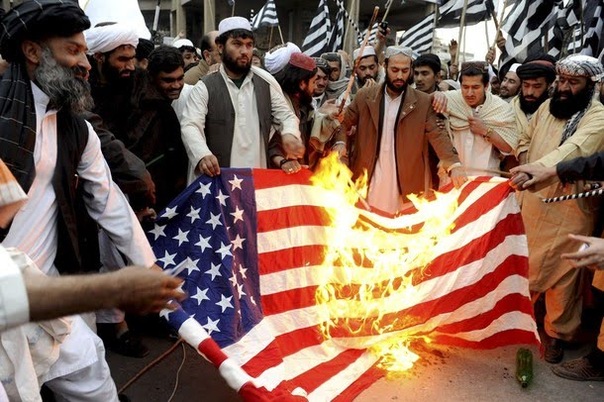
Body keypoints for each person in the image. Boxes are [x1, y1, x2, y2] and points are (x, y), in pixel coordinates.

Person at [0, 1, 159, 400]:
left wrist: (149, 268)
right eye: (73, 51)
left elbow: (110, 202)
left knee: (92, 378)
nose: (85, 64)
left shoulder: (78, 131)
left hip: (47, 293)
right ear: (32, 51)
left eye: (86, 52)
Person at [510, 54, 604, 364]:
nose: (563, 88)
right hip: (533, 201)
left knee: (565, 273)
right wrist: (526, 160)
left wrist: (540, 170)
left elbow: (574, 150)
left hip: (571, 208)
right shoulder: (546, 108)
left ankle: (557, 334)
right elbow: (524, 138)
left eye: (573, 82)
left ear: (591, 85)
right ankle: (522, 320)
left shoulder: (598, 117)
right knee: (527, 263)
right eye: (562, 80)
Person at [334, 46, 466, 215]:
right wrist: (340, 143)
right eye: (394, 70)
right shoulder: (364, 96)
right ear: (385, 66)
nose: (399, 76)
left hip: (406, 182)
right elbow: (342, 123)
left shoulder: (423, 102)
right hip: (368, 176)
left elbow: (438, 135)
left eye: (405, 71)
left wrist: (454, 164)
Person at [510, 152, 604, 381]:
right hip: (545, 196)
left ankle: (592, 358)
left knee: (565, 273)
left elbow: (584, 144)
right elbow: (599, 162)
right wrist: (552, 171)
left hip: (575, 211)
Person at [180, 16, 303, 182]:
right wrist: (202, 155)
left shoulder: (265, 83)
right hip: (219, 183)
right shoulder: (205, 87)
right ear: (220, 47)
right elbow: (190, 125)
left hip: (255, 178)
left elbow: (286, 116)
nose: (244, 51)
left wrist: (290, 134)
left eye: (249, 45)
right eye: (237, 44)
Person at [438, 61, 517, 174]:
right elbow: (427, 101)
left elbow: (509, 148)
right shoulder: (450, 100)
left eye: (475, 87)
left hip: (486, 178)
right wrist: (436, 95)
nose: (469, 93)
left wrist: (486, 131)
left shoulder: (500, 108)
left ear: (486, 86)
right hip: (453, 175)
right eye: (465, 87)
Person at [269, 53, 339, 173]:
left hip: (300, 169)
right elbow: (273, 142)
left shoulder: (303, 103)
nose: (315, 87)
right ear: (302, 83)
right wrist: (283, 161)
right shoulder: (281, 104)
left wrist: (328, 118)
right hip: (281, 172)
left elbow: (310, 130)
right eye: (314, 82)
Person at [512, 55, 557, 135]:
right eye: (526, 85)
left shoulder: (557, 113)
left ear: (549, 85)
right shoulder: (509, 109)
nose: (530, 92)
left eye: (537, 86)